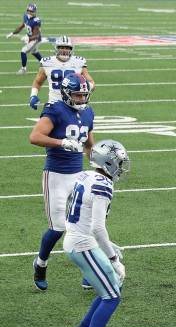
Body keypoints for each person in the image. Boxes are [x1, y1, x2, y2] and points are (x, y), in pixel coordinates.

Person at [64, 140, 130, 327]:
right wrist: (112, 258)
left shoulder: (85, 175)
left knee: (110, 288)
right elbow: (97, 227)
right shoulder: (103, 184)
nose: (121, 167)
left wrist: (107, 245)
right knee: (112, 296)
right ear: (109, 162)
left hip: (77, 239)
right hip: (83, 244)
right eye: (119, 163)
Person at [29, 73, 96, 291]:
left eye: (84, 96)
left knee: (84, 226)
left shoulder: (87, 113)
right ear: (67, 94)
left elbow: (89, 146)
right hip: (56, 176)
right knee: (58, 228)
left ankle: (88, 270)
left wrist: (100, 165)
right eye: (77, 95)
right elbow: (35, 136)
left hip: (78, 176)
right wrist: (61, 142)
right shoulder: (55, 109)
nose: (81, 100)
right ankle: (41, 263)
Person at [30, 36, 95, 110]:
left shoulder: (79, 62)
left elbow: (91, 82)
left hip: (74, 104)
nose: (64, 50)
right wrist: (33, 95)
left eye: (67, 48)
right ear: (56, 48)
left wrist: (81, 89)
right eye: (61, 47)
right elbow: (38, 82)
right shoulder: (47, 62)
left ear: (71, 49)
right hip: (54, 104)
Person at [6, 3, 43, 75]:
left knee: (23, 50)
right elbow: (22, 26)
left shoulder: (36, 21)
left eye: (31, 11)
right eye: (28, 11)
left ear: (35, 11)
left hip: (35, 39)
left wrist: (28, 38)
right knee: (34, 52)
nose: (29, 12)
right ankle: (45, 63)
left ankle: (23, 69)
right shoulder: (26, 16)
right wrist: (13, 33)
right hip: (31, 37)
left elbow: (37, 35)